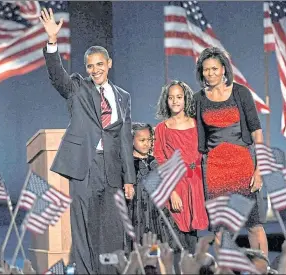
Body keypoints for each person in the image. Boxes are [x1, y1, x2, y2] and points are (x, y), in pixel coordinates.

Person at [40, 8, 135, 274]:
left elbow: (126, 139)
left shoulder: (123, 97)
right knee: (82, 226)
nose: (95, 70)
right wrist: (51, 42)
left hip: (112, 169)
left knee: (114, 229)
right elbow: (56, 75)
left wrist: (129, 179)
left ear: (109, 64)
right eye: (90, 66)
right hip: (84, 166)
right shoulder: (77, 88)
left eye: (99, 64)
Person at [193, 47, 269, 272]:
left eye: (214, 68)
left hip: (243, 166)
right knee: (220, 230)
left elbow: (257, 132)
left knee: (254, 225)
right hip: (215, 170)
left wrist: (260, 169)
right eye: (206, 70)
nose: (210, 73)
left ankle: (261, 270)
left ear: (224, 69)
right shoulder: (198, 99)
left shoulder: (241, 93)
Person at [154, 80, 209, 254]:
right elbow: (160, 160)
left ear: (186, 99)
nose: (175, 101)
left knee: (193, 236)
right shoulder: (162, 128)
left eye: (179, 97)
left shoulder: (197, 125)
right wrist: (171, 192)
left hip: (195, 183)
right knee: (176, 236)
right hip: (175, 184)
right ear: (166, 100)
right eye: (171, 97)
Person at [126, 122, 165, 249]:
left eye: (149, 140)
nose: (146, 143)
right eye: (142, 140)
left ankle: (153, 265)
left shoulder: (153, 161)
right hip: (135, 210)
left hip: (153, 211)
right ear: (132, 140)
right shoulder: (128, 163)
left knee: (154, 241)